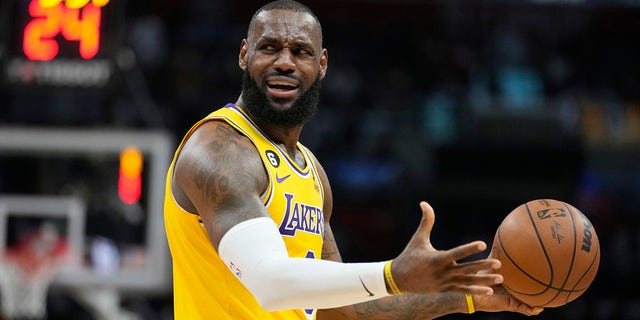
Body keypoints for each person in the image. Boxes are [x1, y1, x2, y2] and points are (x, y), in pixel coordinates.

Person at [163, 1, 544, 319]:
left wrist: (465, 296)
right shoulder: (218, 150)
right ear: (244, 55)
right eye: (269, 48)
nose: (284, 62)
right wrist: (394, 274)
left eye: (300, 51)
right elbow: (269, 283)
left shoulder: (310, 171)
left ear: (322, 64)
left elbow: (341, 311)